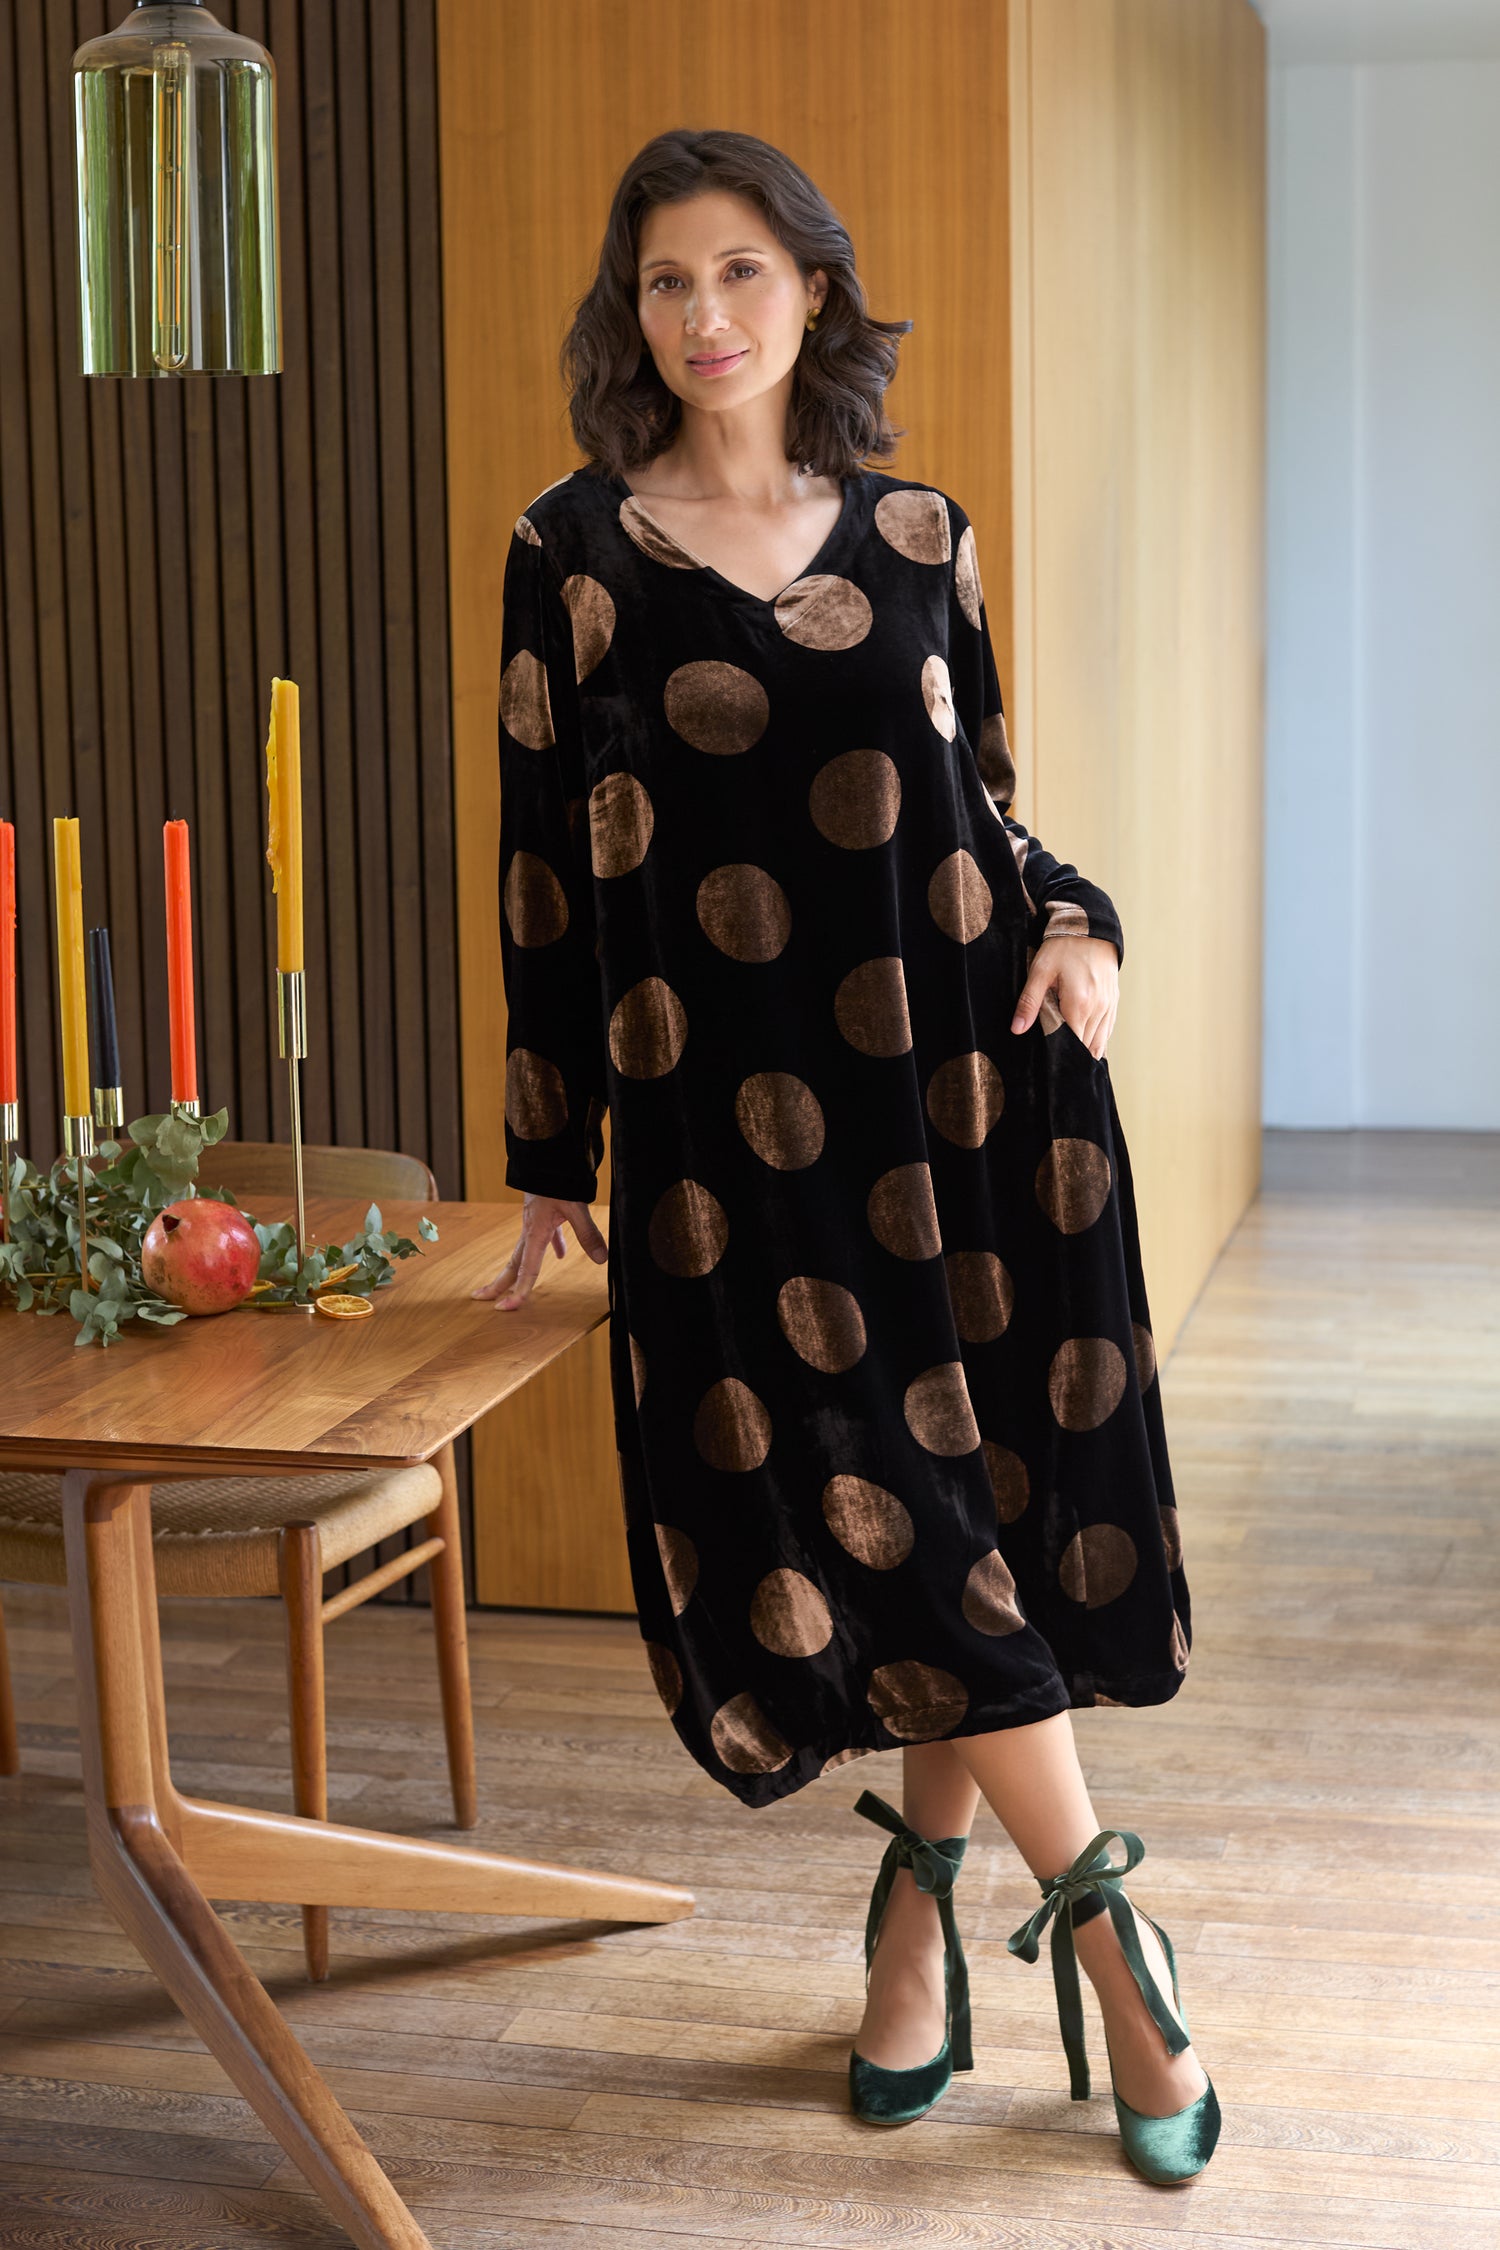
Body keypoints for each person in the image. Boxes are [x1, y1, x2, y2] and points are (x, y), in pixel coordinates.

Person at [473, 127, 1219, 2185]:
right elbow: (545, 875)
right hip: (740, 1157)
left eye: (739, 273)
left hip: (978, 1106)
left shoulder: (918, 532)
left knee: (962, 1513)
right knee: (883, 1514)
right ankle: (1111, 1935)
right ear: (633, 317)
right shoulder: (574, 554)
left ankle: (925, 1923)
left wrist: (1089, 929)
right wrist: (554, 1149)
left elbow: (985, 811)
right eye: (663, 285)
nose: (703, 319)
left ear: (813, 288)